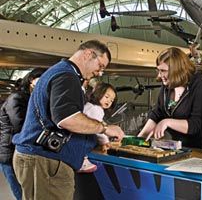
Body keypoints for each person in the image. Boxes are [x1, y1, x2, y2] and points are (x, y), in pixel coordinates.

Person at [12, 40, 125, 200]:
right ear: (87, 54)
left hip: (40, 160)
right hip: (46, 162)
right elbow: (67, 119)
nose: (100, 73)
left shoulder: (61, 72)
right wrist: (105, 128)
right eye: (100, 66)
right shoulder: (66, 76)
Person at [138, 47, 202, 148]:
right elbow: (157, 114)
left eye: (163, 71)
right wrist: (138, 141)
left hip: (197, 151)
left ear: (177, 70)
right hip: (176, 148)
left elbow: (196, 125)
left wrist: (167, 122)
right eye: (159, 70)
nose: (160, 75)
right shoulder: (168, 85)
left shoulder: (201, 85)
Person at [0, 68, 45, 200]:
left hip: (21, 152)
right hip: (9, 152)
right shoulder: (17, 98)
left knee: (28, 192)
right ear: (31, 80)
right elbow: (21, 126)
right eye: (41, 79)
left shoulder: (31, 98)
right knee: (21, 192)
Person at [78, 82, 117, 173]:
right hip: (82, 138)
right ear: (98, 93)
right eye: (107, 97)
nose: (109, 101)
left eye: (112, 100)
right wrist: (105, 141)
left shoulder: (91, 106)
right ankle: (82, 161)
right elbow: (97, 129)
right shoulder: (96, 109)